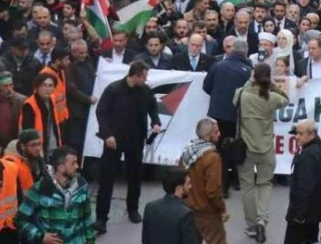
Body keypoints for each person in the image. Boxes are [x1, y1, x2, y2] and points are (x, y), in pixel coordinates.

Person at [95, 60, 160, 227]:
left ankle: (133, 209)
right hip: (114, 140)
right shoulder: (114, 89)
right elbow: (100, 112)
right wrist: (107, 135)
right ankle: (101, 217)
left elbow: (153, 107)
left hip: (136, 139)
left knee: (134, 176)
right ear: (134, 76)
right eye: (144, 76)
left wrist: (155, 121)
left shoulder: (145, 91)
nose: (146, 80)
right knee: (107, 178)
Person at [235, 62, 289, 243]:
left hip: (246, 148)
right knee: (265, 184)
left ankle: (251, 225)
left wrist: (250, 82)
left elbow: (234, 100)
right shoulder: (271, 97)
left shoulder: (243, 94)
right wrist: (271, 84)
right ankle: (261, 219)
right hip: (266, 147)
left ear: (253, 77)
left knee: (247, 186)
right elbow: (285, 99)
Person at [204, 38, 253, 194]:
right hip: (235, 115)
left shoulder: (217, 66)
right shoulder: (247, 71)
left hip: (217, 113)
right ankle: (230, 182)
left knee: (218, 149)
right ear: (245, 52)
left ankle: (220, 184)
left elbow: (206, 86)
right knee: (232, 148)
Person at [16, 146, 94, 244]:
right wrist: (40, 236)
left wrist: (90, 241)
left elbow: (87, 218)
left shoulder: (82, 186)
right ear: (60, 167)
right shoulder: (40, 189)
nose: (77, 166)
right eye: (73, 163)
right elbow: (20, 220)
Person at [285, 119, 321, 244]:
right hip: (317, 211)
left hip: (303, 214)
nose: (296, 137)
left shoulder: (307, 155)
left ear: (312, 134)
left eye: (300, 134)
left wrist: (299, 216)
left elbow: (306, 188)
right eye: (296, 133)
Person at [179, 119, 227, 244]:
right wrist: (222, 209)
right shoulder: (212, 157)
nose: (220, 134)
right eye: (216, 132)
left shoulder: (188, 150)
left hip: (187, 209)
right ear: (207, 135)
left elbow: (178, 178)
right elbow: (213, 191)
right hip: (207, 213)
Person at [140, 168, 199, 244]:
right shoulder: (186, 215)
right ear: (179, 188)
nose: (190, 186)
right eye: (188, 183)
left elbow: (145, 240)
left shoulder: (150, 207)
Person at [19, 74, 62, 153]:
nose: (47, 89)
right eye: (44, 85)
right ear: (37, 87)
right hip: (36, 148)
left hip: (52, 145)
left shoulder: (51, 99)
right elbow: (27, 131)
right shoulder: (29, 105)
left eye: (50, 86)